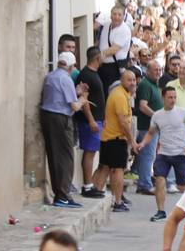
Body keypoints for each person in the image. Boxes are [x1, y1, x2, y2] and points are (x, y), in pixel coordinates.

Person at [136, 84, 185, 222]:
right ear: (163, 97)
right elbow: (151, 133)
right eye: (170, 97)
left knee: (181, 186)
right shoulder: (157, 116)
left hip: (180, 154)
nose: (173, 100)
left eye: (175, 97)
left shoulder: (183, 112)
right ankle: (161, 211)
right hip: (163, 154)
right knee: (159, 180)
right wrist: (142, 143)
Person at [40, 51, 86, 208]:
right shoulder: (65, 79)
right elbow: (74, 105)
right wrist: (82, 99)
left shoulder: (50, 76)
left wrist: (76, 92)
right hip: (60, 119)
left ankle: (59, 194)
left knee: (54, 156)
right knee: (66, 157)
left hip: (47, 117)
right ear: (71, 66)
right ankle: (63, 196)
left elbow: (59, 95)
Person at [98, 70, 139, 212]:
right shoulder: (120, 95)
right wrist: (132, 141)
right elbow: (123, 122)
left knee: (105, 167)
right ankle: (117, 201)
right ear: (122, 80)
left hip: (111, 137)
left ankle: (97, 193)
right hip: (115, 138)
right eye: (129, 80)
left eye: (134, 80)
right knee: (118, 170)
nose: (133, 82)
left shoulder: (124, 94)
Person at [75, 48, 105, 198]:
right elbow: (84, 99)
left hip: (97, 119)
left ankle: (89, 184)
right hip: (90, 121)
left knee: (92, 152)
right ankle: (87, 185)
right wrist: (91, 120)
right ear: (98, 58)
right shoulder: (86, 75)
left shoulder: (93, 74)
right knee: (89, 151)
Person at [134, 57, 164, 200]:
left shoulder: (153, 84)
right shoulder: (146, 85)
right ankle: (144, 184)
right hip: (147, 126)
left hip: (152, 126)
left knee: (149, 154)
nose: (158, 72)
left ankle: (144, 180)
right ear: (148, 71)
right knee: (148, 154)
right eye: (155, 70)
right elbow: (143, 105)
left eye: (160, 70)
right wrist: (156, 116)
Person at [97, 6, 132, 90]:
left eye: (119, 15)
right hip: (102, 65)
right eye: (114, 14)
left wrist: (97, 58)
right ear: (111, 15)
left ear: (124, 16)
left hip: (114, 67)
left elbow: (113, 49)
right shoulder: (107, 25)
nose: (116, 17)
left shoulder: (124, 29)